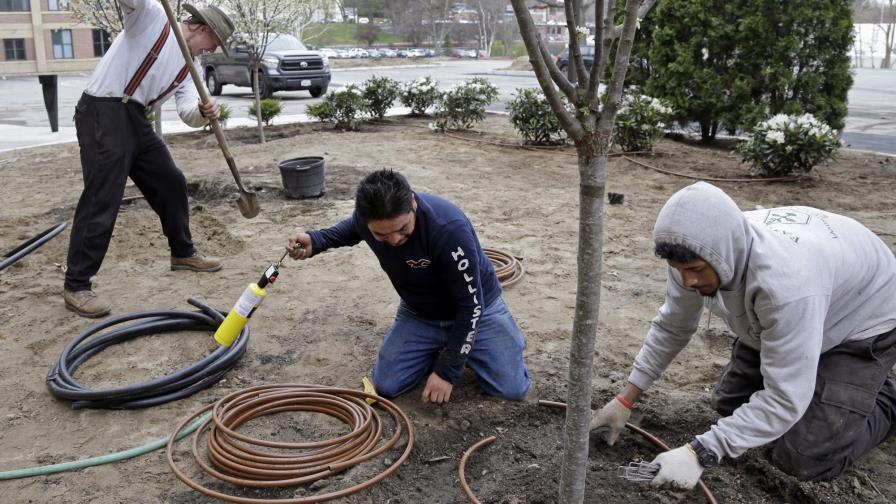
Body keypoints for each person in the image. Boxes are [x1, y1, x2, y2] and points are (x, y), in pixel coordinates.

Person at [591, 182, 896, 488]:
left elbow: (785, 399)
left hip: (863, 319)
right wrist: (626, 398)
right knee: (731, 407)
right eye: (679, 270)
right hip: (800, 311)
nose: (688, 280)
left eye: (696, 270)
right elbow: (673, 325)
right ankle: (815, 373)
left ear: (724, 254)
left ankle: (884, 395)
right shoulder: (692, 254)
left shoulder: (785, 287)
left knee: (803, 459)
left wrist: (700, 453)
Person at [285, 169, 531, 403]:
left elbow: (471, 305)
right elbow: (350, 229)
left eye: (402, 228)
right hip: (421, 313)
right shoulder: (366, 220)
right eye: (382, 235)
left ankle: (499, 341)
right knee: (387, 385)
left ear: (413, 203)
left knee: (511, 390)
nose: (394, 240)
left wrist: (448, 371)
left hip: (478, 310)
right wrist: (317, 241)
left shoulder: (448, 229)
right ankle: (439, 346)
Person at [63, 1, 234, 318]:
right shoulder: (152, 16)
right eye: (215, 43)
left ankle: (182, 253)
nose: (211, 51)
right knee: (104, 194)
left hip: (136, 118)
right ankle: (77, 284)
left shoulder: (189, 66)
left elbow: (187, 111)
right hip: (103, 108)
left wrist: (202, 113)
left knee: (170, 181)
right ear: (202, 29)